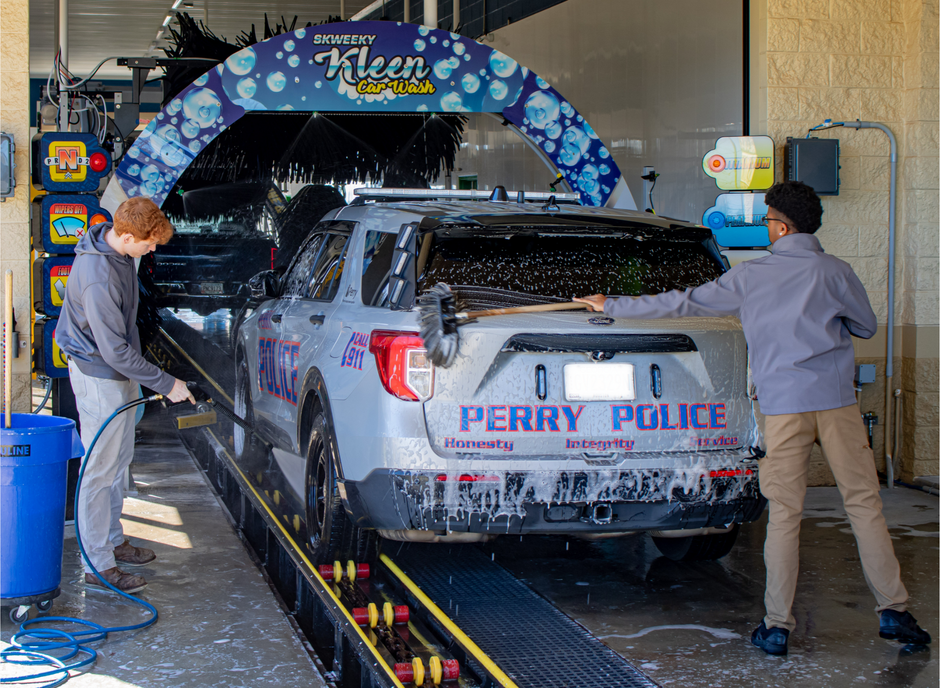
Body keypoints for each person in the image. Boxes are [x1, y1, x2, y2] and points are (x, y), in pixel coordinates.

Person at [574, 181, 931, 654]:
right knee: (864, 505)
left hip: (783, 408)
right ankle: (894, 612)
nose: (766, 226)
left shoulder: (751, 277)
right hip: (837, 404)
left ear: (781, 226)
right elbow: (865, 325)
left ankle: (777, 626)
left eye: (767, 220)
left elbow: (683, 302)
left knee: (785, 513)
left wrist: (612, 305)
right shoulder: (836, 271)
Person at [56, 197, 195, 594]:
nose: (152, 250)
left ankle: (113, 540)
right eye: (149, 244)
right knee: (98, 471)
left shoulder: (118, 251)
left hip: (120, 367)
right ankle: (97, 564)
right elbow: (112, 350)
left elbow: (122, 343)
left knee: (120, 460)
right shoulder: (99, 275)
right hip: (99, 373)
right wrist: (168, 383)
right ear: (128, 236)